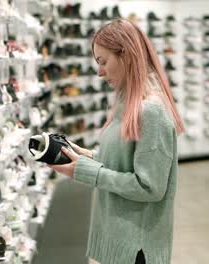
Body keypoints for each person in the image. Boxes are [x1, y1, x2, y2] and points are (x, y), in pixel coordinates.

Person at [48, 18, 185, 264]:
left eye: (103, 62)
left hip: (137, 249)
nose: (99, 72)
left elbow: (150, 187)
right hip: (121, 241)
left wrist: (89, 172)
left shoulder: (151, 111)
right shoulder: (127, 104)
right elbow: (125, 163)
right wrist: (86, 157)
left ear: (126, 56)